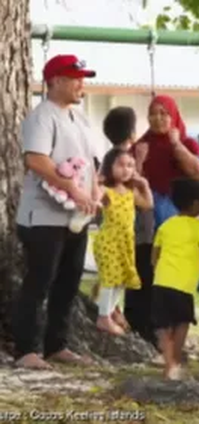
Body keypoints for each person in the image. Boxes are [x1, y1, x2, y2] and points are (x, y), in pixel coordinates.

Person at [14, 54, 100, 369]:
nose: (82, 84)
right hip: (43, 217)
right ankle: (27, 349)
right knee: (39, 282)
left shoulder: (81, 119)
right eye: (75, 77)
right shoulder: (42, 117)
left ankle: (57, 344)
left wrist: (94, 190)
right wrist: (74, 190)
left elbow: (91, 162)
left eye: (82, 77)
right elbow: (36, 160)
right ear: (56, 81)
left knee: (68, 282)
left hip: (74, 218)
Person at [151, 178, 199, 380]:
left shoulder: (166, 225)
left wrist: (159, 270)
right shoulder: (197, 226)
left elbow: (154, 255)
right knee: (182, 322)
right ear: (195, 204)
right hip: (183, 286)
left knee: (163, 326)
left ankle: (168, 362)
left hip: (161, 283)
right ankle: (175, 359)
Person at [101, 106, 157, 345]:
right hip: (129, 233)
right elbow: (129, 187)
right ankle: (125, 319)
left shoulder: (111, 157)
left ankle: (115, 310)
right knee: (132, 277)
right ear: (132, 132)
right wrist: (140, 162)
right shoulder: (123, 159)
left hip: (130, 232)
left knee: (127, 277)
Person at [93, 148, 153, 335]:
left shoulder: (130, 191)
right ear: (109, 166)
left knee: (123, 279)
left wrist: (145, 186)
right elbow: (94, 196)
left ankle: (110, 310)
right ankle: (103, 317)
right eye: (120, 165)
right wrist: (97, 180)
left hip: (125, 243)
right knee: (110, 279)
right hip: (109, 241)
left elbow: (148, 204)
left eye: (130, 166)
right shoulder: (106, 190)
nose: (126, 169)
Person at [132, 95, 199, 231]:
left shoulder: (188, 144)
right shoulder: (141, 146)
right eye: (152, 114)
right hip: (149, 221)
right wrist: (139, 161)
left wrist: (176, 145)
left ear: (173, 116)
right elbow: (128, 183)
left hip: (182, 217)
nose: (157, 118)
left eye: (163, 113)